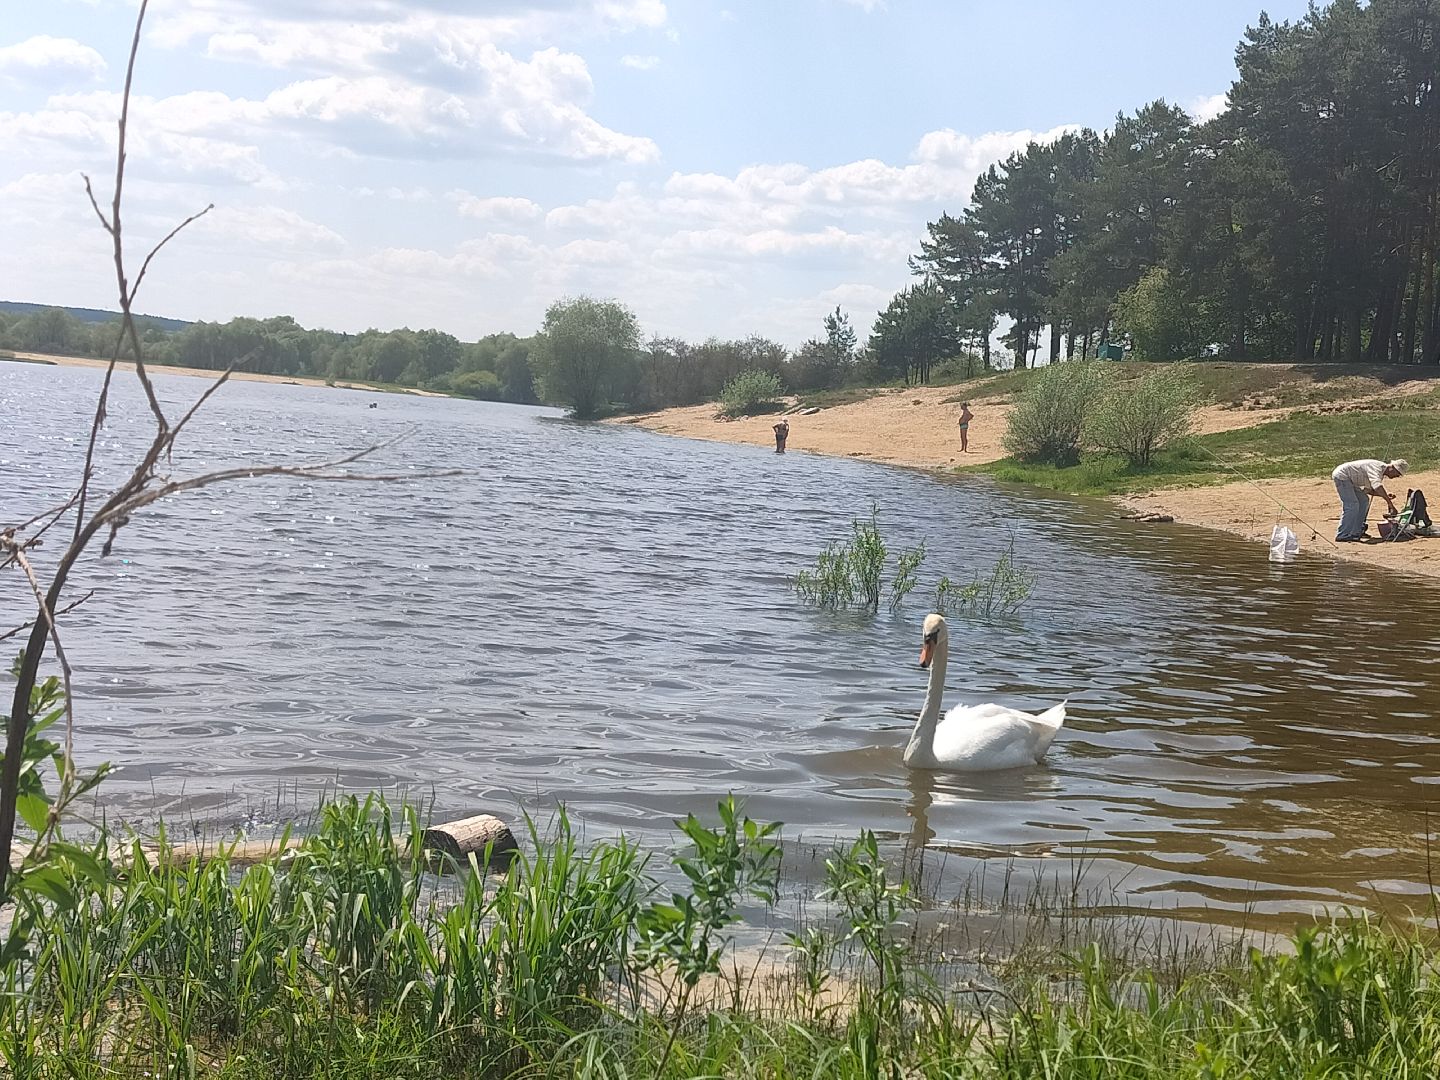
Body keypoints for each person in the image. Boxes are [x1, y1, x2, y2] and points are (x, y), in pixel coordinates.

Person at [1331, 458, 1407, 541]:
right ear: (1392, 467)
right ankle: (1342, 534)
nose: (1397, 476)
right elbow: (1378, 487)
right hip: (1342, 476)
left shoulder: (1379, 473)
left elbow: (1369, 490)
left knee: (1364, 501)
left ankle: (1356, 531)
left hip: (1352, 480)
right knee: (1352, 505)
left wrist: (1385, 496)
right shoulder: (1377, 468)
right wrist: (1390, 505)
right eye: (1398, 473)